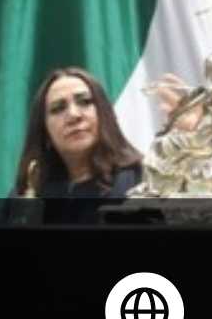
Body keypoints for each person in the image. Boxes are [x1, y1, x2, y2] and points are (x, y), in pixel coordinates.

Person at [10, 67, 142, 223]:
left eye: (85, 102)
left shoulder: (140, 178)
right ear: (45, 132)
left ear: (104, 114)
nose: (73, 115)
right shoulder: (28, 191)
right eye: (58, 108)